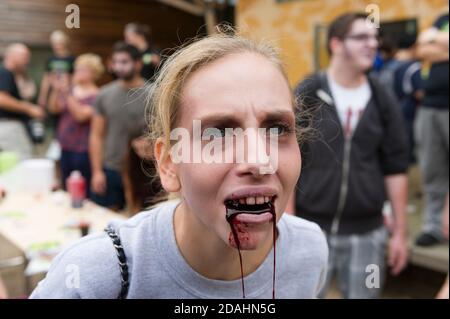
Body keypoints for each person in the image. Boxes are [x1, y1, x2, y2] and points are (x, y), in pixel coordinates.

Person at [30, 32, 328, 299]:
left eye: (277, 129)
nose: (260, 161)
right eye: (218, 133)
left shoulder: (309, 250)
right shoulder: (94, 277)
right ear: (169, 164)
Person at [290, 12, 409, 299]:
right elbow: (288, 158)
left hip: (368, 234)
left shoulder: (382, 97)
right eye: (362, 37)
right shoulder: (309, 92)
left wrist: (401, 235)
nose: (373, 44)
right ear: (336, 44)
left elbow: (395, 167)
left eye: (375, 38)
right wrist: (288, 226)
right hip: (310, 230)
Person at [89, 42, 147, 211]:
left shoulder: (154, 94)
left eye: (124, 62)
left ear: (138, 64)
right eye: (116, 62)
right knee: (107, 221)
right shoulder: (104, 94)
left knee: (139, 222)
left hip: (142, 171)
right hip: (111, 168)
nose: (119, 67)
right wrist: (97, 171)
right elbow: (96, 135)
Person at [414, 13, 449, 247]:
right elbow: (421, 50)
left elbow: (429, 47)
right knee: (431, 168)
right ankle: (433, 226)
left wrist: (436, 43)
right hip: (429, 108)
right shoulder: (442, 19)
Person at [47, 54, 104, 195]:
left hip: (83, 149)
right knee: (66, 186)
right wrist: (56, 89)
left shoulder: (98, 95)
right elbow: (54, 108)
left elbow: (81, 116)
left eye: (82, 69)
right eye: (77, 68)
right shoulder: (71, 90)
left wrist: (66, 93)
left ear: (93, 73)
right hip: (65, 145)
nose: (77, 72)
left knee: (82, 187)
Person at [0, 43, 45, 159]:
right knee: (23, 161)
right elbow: (2, 99)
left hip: (8, 126)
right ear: (11, 55)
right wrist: (29, 108)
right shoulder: (5, 73)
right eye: (24, 56)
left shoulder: (11, 74)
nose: (27, 61)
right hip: (9, 126)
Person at [38, 30, 75, 109]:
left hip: (66, 91)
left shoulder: (71, 59)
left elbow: (74, 78)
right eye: (54, 43)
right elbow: (46, 78)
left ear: (64, 42)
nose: (56, 46)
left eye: (58, 43)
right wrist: (42, 96)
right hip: (53, 92)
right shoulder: (50, 59)